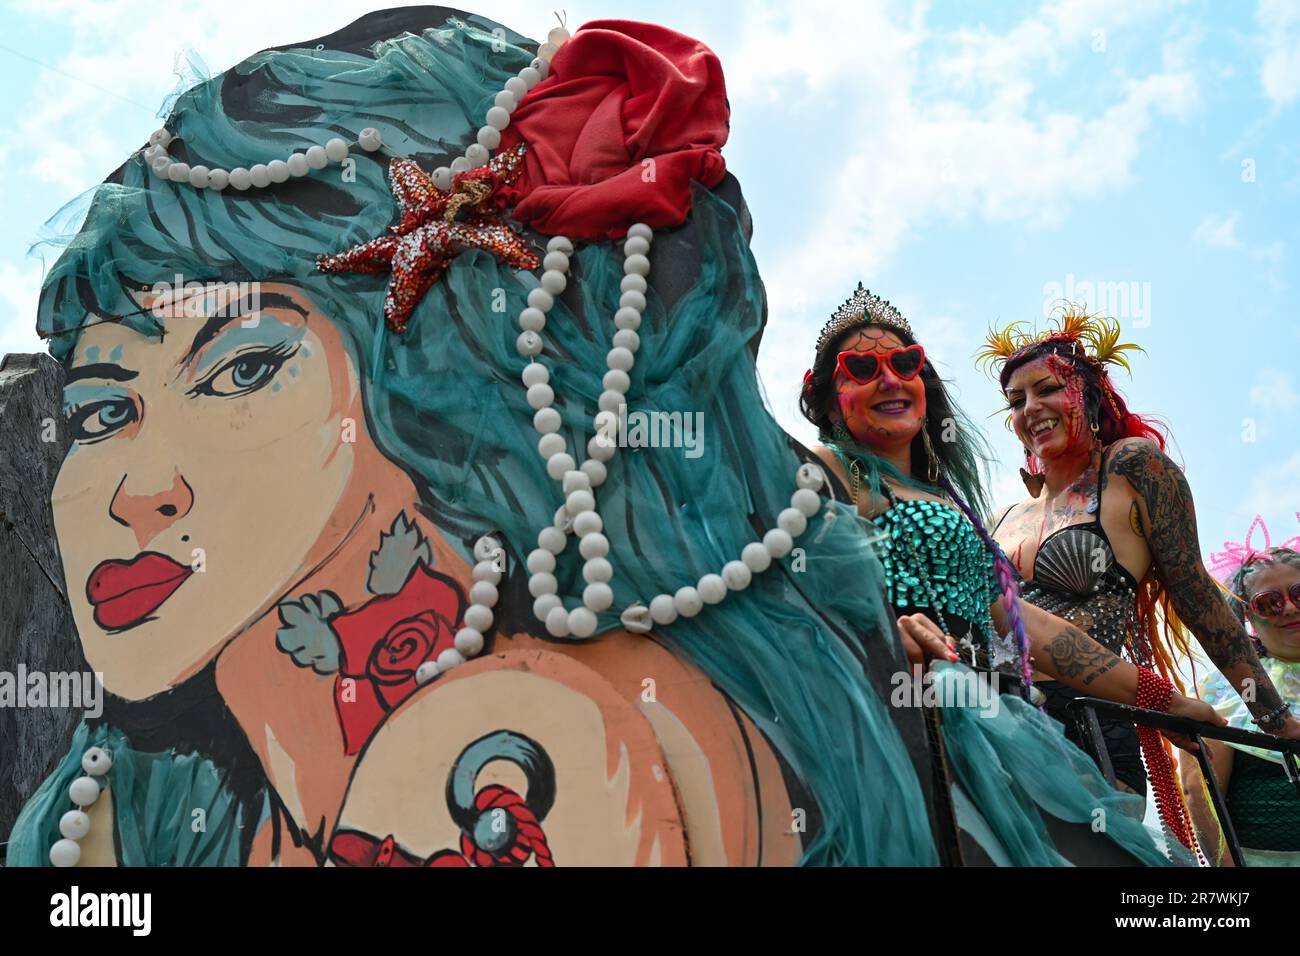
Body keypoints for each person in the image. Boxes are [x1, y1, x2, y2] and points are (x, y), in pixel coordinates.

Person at [9, 11, 995, 867]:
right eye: (102, 410)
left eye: (242, 370)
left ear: (410, 384)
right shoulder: (116, 807)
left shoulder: (578, 746)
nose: (136, 490)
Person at [800, 283, 1222, 865]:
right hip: (896, 719)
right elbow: (782, 583)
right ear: (826, 400)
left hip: (1000, 724)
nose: (889, 378)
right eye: (860, 367)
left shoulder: (944, 500)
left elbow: (1029, 628)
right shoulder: (828, 471)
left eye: (905, 362)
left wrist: (1161, 699)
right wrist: (873, 638)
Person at [981, 309, 1300, 798]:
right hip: (990, 711)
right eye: (1016, 400)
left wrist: (1275, 719)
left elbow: (1196, 596)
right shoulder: (1001, 518)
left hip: (1087, 719)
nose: (1031, 408)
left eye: (1047, 388)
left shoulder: (1132, 467)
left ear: (1089, 394)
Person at [1181, 524, 1300, 866]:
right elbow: (1200, 793)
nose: (1289, 608)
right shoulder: (1220, 691)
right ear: (1247, 614)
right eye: (1270, 603)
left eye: (1299, 594)